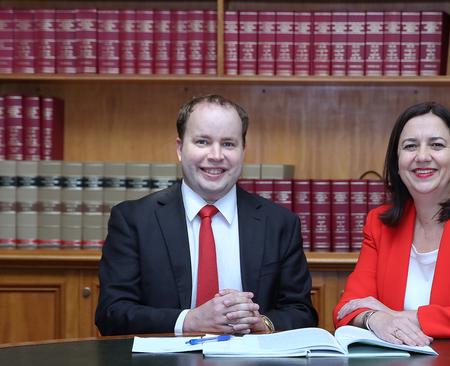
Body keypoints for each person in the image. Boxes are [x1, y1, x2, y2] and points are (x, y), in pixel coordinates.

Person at [96, 94, 318, 336]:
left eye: (228, 144)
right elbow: (112, 314)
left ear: (244, 150)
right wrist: (189, 321)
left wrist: (261, 323)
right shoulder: (133, 220)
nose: (216, 155)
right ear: (180, 148)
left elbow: (302, 312)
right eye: (202, 142)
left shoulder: (279, 224)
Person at [334, 102, 450, 346]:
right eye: (410, 146)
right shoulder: (380, 223)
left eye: (436, 145)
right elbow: (346, 309)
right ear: (397, 161)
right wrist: (375, 319)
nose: (422, 157)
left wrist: (405, 317)